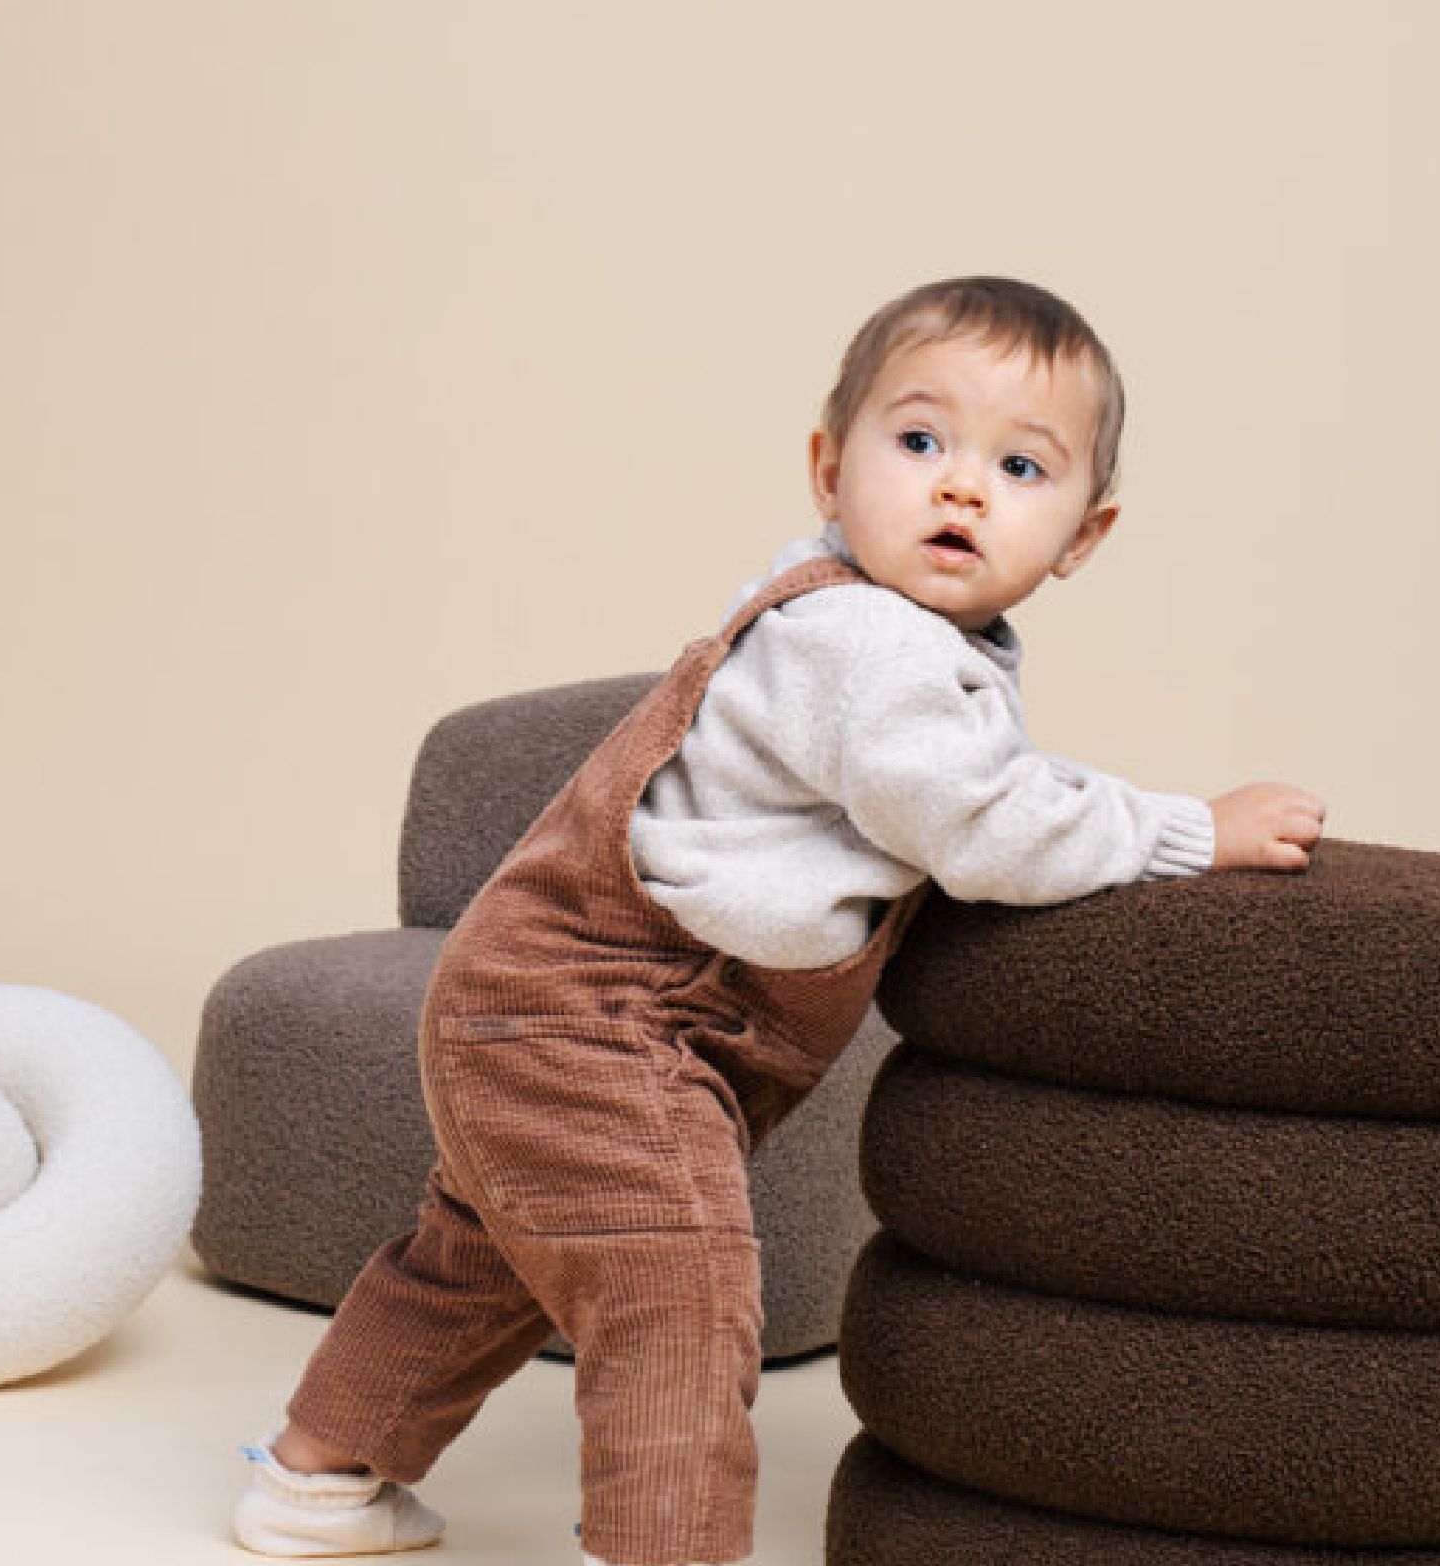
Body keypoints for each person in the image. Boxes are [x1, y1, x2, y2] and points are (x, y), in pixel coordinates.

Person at [229, 276, 1326, 1565]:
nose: (961, 487)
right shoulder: (869, 645)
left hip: (538, 1006)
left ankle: (318, 1477)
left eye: (1022, 466)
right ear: (829, 466)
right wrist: (1193, 828)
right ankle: (667, 1548)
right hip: (608, 1016)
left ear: (1085, 532)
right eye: (918, 444)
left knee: (482, 1255)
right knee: (682, 1295)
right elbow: (986, 827)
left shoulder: (868, 629)